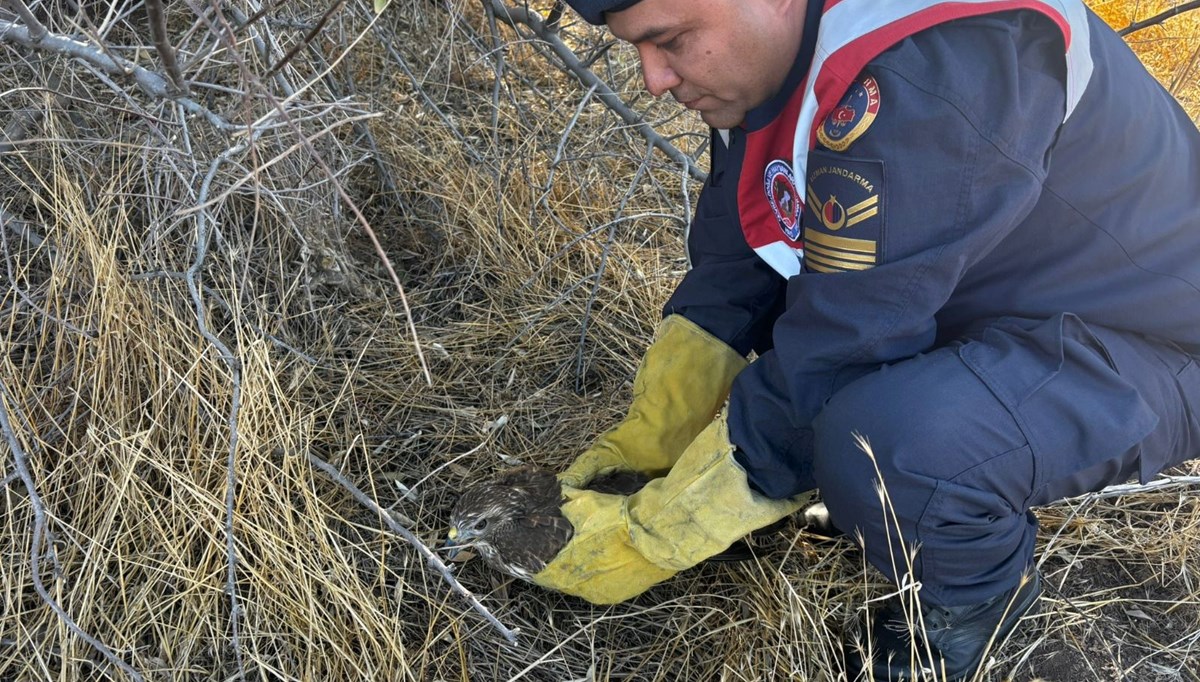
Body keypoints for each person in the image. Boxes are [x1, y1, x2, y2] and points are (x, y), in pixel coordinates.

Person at [526, 0, 1200, 679]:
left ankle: (972, 610)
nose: (654, 80)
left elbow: (843, 345)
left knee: (887, 444)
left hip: (1160, 339)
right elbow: (747, 245)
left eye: (669, 41)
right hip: (1018, 296)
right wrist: (659, 428)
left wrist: (661, 532)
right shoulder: (768, 56)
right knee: (823, 387)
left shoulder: (940, 66)